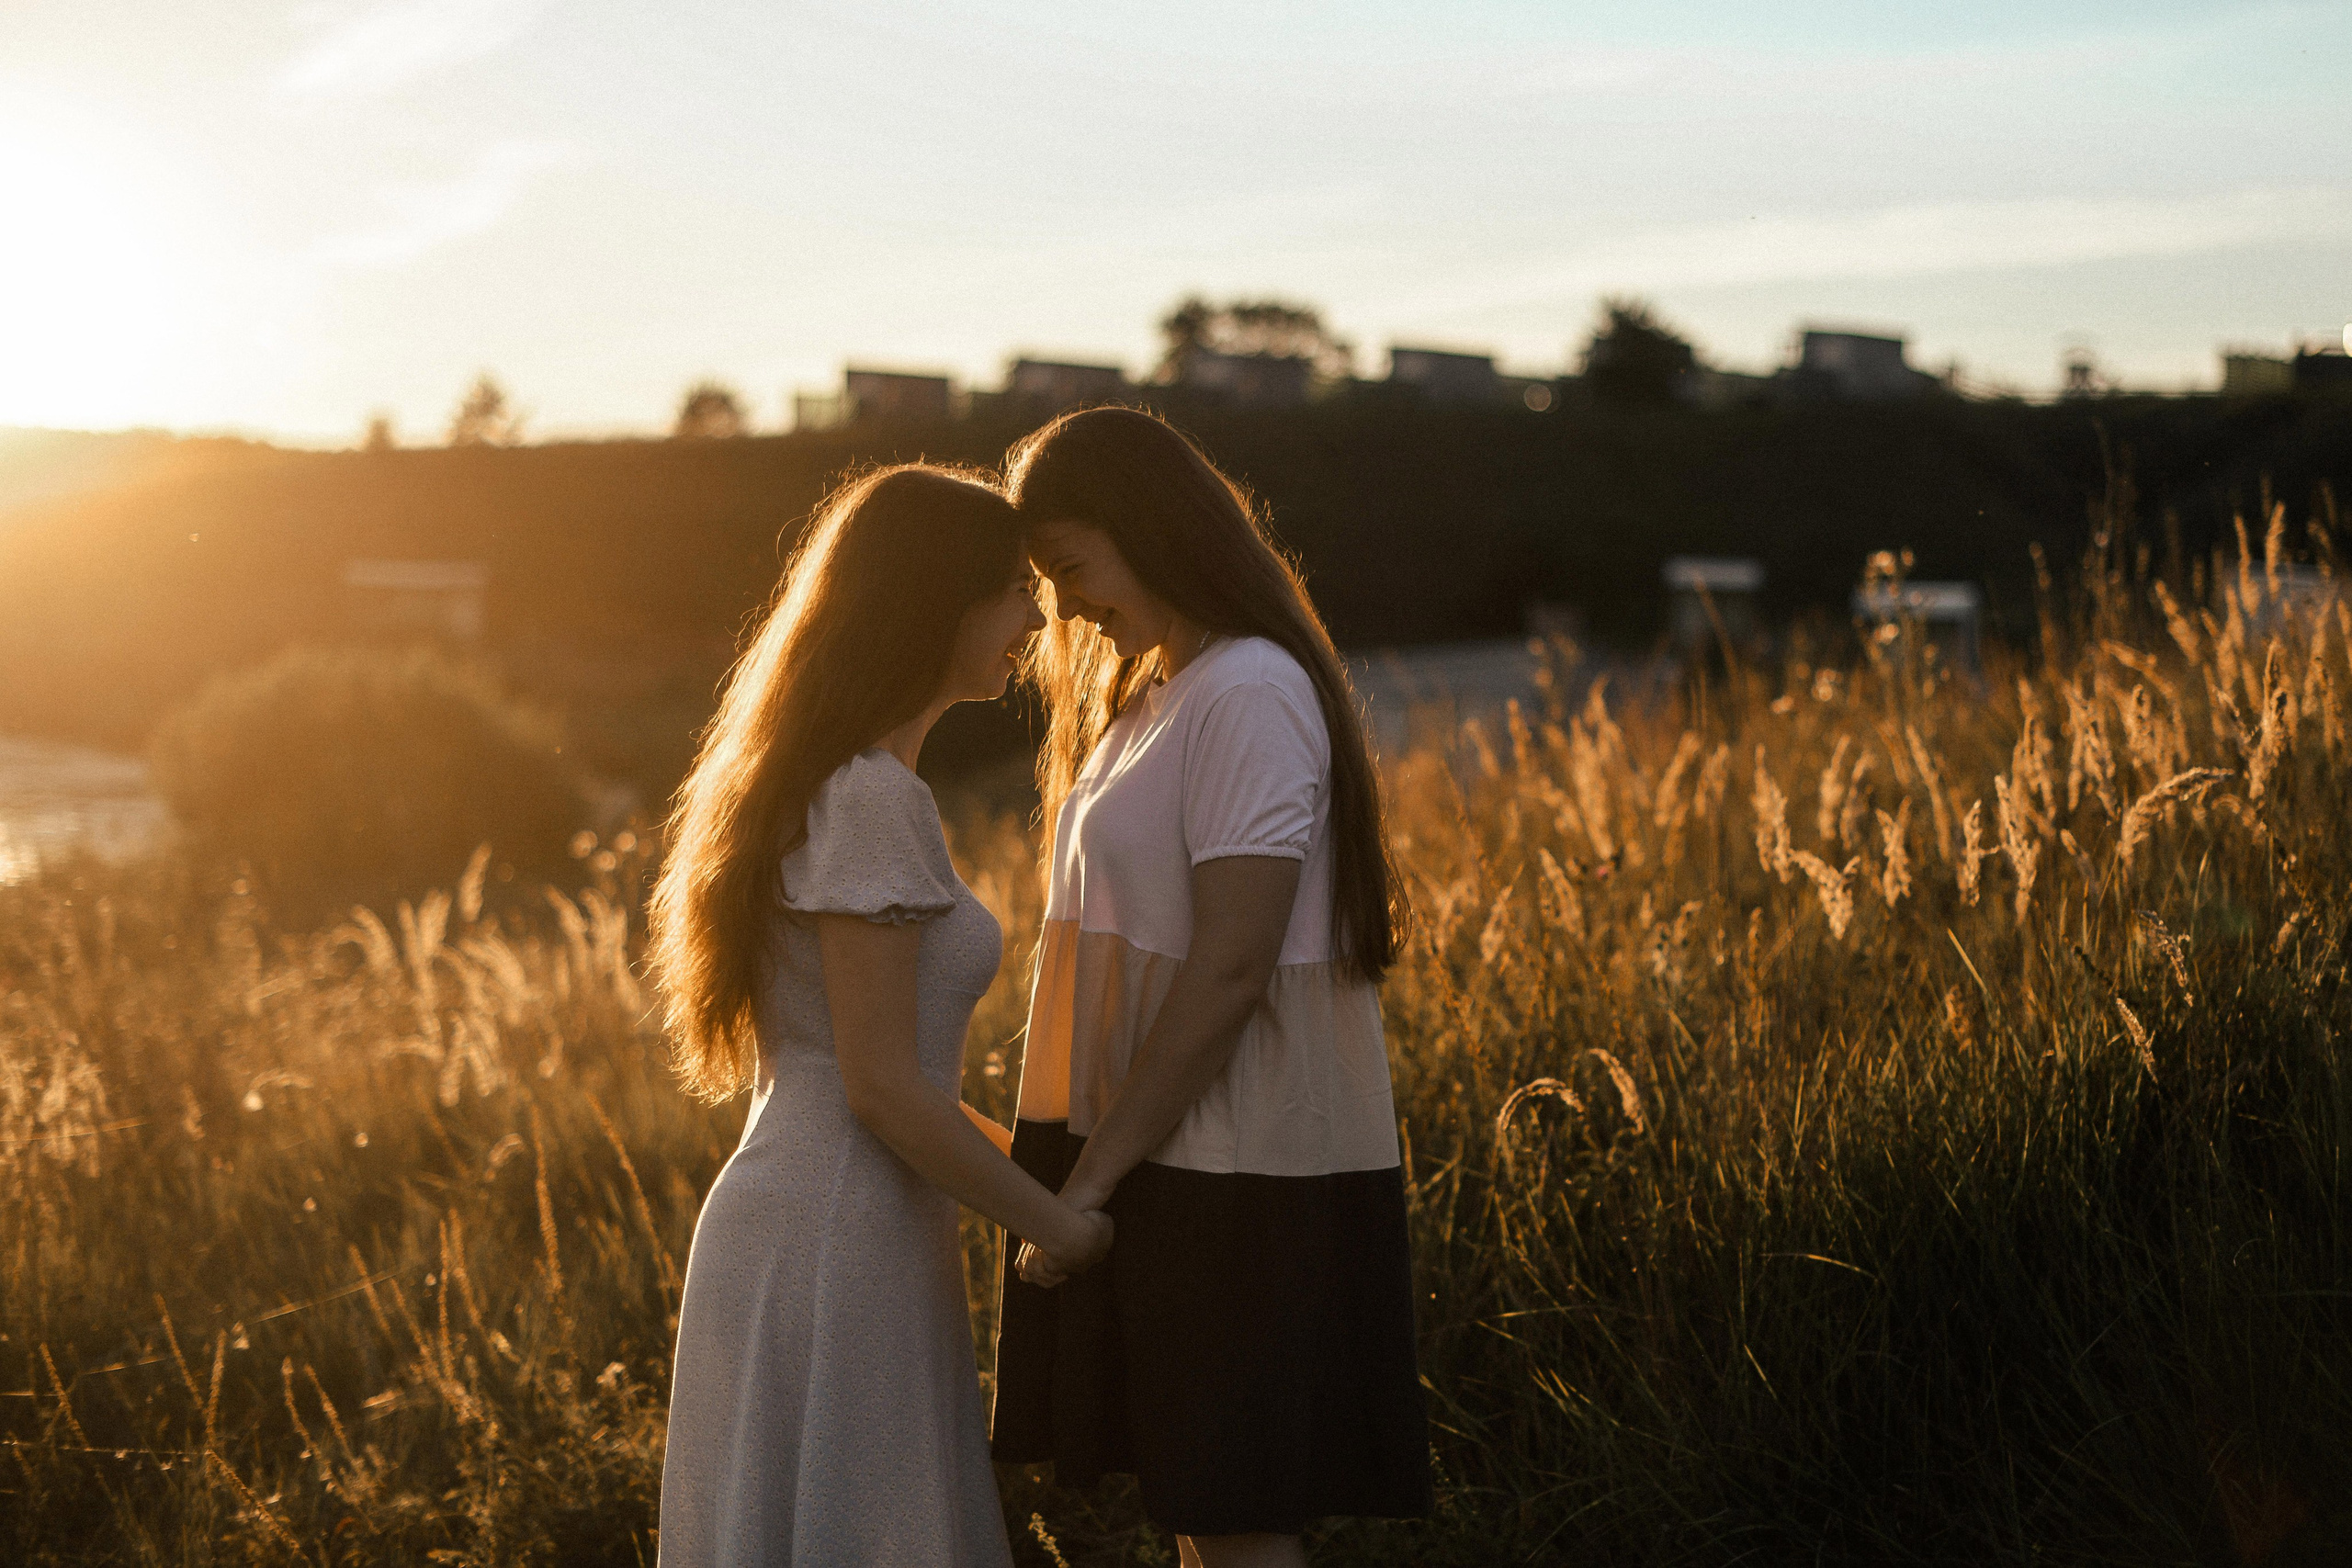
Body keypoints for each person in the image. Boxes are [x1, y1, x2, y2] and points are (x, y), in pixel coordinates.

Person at [990, 408, 1432, 1568]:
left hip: (1234, 1162)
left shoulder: (1247, 690)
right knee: (1202, 1505)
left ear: (1151, 528)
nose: (1068, 607)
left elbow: (1234, 962)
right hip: (1161, 1145)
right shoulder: (1155, 692)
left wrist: (1088, 1180)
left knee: (1234, 1518)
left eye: (1073, 569)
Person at [649, 464, 1113, 1568]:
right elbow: (886, 1090)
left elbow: (904, 1093)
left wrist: (1049, 1191)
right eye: (1011, 590)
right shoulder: (868, 798)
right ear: (927, 601)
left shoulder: (821, 781)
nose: (1035, 622)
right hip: (836, 1230)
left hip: (819, 1218)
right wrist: (1064, 1230)